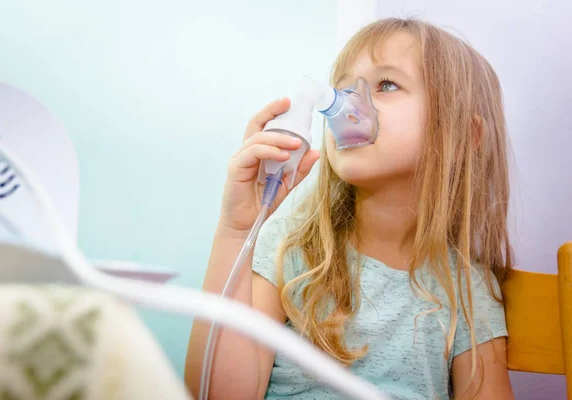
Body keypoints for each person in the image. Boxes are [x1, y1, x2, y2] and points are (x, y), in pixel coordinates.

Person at [185, 18, 515, 400]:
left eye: (387, 84)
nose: (345, 105)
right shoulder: (293, 248)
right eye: (342, 87)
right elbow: (215, 393)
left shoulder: (467, 289)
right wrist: (237, 230)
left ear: (464, 137)